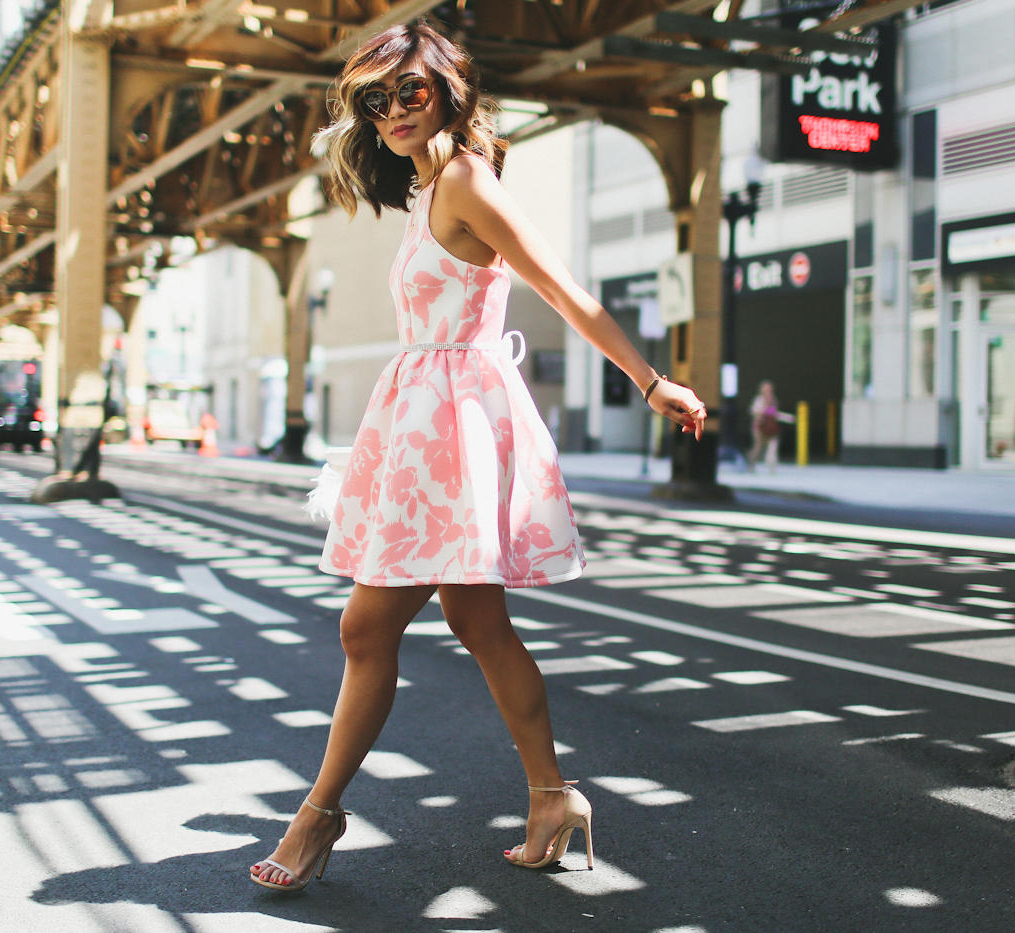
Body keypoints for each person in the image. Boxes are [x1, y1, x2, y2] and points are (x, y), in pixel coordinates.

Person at [249, 23, 707, 893]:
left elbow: (563, 290)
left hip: (450, 429)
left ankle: (318, 815)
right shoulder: (427, 187)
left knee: (365, 626)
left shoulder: (464, 179)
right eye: (375, 100)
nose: (390, 112)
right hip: (425, 422)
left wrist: (651, 384)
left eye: (409, 92)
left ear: (452, 88)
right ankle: (550, 796)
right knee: (477, 624)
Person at [748, 380, 790, 472]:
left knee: (773, 446)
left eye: (770, 390)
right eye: (766, 390)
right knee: (758, 448)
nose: (768, 392)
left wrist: (787, 418)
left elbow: (775, 413)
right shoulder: (759, 400)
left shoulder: (773, 400)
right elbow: (755, 413)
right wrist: (764, 409)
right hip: (759, 428)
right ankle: (751, 464)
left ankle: (772, 466)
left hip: (771, 427)